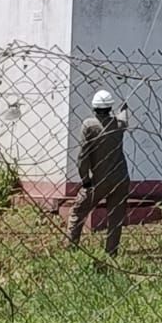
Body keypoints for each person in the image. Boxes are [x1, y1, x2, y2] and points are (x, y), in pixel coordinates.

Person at [67, 89, 131, 254]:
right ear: (110, 108)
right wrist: (124, 107)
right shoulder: (120, 124)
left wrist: (85, 179)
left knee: (77, 211)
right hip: (121, 178)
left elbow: (83, 155)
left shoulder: (89, 125)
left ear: (94, 108)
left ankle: (71, 248)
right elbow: (123, 116)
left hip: (98, 179)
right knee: (115, 217)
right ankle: (111, 252)